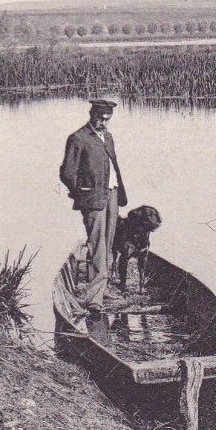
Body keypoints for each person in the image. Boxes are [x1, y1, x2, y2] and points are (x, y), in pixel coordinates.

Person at [59, 99, 128, 313]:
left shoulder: (108, 137)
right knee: (97, 246)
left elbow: (112, 167)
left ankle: (102, 288)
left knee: (108, 245)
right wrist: (83, 192)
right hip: (93, 200)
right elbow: (67, 173)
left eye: (108, 119)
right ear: (92, 114)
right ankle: (94, 299)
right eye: (101, 118)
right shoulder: (78, 139)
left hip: (113, 195)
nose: (104, 123)